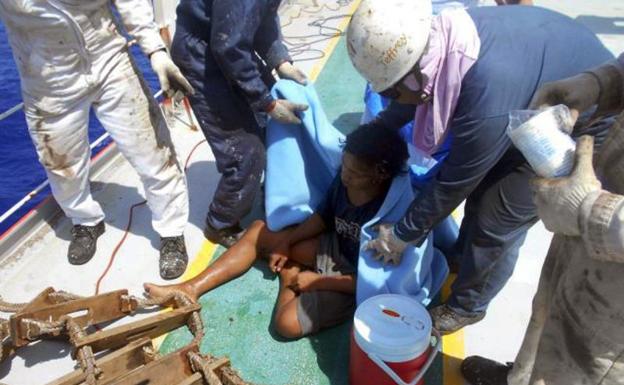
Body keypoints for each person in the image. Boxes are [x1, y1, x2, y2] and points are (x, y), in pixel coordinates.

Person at [347, 0, 614, 333]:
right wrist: (371, 135)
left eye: (392, 91)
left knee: (497, 218)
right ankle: (463, 256)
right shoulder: (443, 44)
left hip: (584, 117)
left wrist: (401, 236)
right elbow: (412, 100)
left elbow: (454, 183)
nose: (392, 98)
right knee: (483, 192)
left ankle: (468, 305)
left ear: (415, 76)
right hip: (531, 91)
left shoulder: (483, 96)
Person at [144, 124, 409, 338]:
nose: (345, 175)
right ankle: (190, 289)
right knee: (260, 231)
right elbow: (322, 218)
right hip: (336, 248)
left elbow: (377, 283)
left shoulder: (391, 217)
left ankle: (290, 275)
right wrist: (286, 242)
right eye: (345, 165)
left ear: (379, 175)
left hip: (355, 280)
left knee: (286, 325)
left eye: (354, 172)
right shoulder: (345, 180)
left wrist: (318, 282)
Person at [460, 54, 624, 385]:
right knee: (549, 310)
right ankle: (519, 379)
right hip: (599, 199)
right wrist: (605, 81)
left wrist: (593, 211)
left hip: (615, 288)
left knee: (583, 361)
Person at [0, 0, 194, 279]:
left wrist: (155, 50)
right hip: (47, 79)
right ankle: (85, 220)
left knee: (153, 151)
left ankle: (172, 231)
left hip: (108, 59)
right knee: (61, 165)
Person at [170, 0, 309, 248]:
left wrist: (280, 60)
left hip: (227, 40)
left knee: (270, 128)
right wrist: (267, 102)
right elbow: (228, 47)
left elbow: (264, 15)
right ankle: (221, 223)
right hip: (201, 58)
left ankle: (275, 192)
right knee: (246, 152)